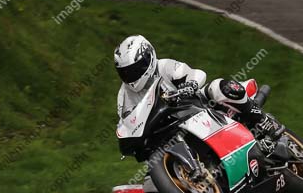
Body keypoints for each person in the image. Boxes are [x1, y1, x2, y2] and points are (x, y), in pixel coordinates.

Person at [114, 35, 284, 150]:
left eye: (135, 69)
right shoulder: (124, 95)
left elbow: (197, 74)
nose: (131, 76)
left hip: (199, 106)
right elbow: (127, 123)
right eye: (126, 72)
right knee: (150, 182)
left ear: (148, 59)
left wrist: (189, 86)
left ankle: (264, 121)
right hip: (170, 129)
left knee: (218, 87)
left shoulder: (164, 66)